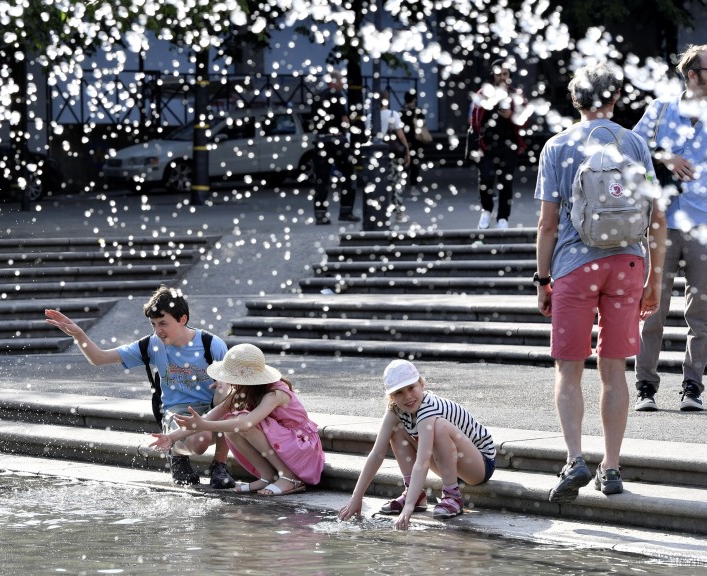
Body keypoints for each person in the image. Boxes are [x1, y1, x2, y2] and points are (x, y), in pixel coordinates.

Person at [534, 63, 667, 502]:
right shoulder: (634, 144)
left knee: (568, 370)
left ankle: (575, 458)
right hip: (627, 265)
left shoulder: (557, 146)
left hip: (575, 267)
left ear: (575, 100)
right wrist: (654, 279)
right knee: (613, 369)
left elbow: (547, 225)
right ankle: (611, 468)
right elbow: (656, 218)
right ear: (614, 98)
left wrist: (543, 279)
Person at [44, 286, 236, 488]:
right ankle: (178, 455)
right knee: (199, 441)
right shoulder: (152, 344)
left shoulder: (212, 344)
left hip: (212, 408)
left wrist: (227, 384)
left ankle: (220, 465)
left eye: (163, 323)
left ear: (183, 319)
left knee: (228, 395)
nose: (158, 330)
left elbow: (237, 391)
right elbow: (99, 358)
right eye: (153, 324)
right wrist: (79, 335)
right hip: (178, 412)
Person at [631, 44, 707, 413]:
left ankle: (693, 385)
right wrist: (664, 156)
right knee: (652, 308)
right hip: (661, 222)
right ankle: (646, 385)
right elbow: (632, 146)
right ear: (693, 75)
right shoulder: (661, 108)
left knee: (702, 311)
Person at [337, 359, 496, 530]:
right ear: (391, 396)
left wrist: (408, 509)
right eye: (399, 392)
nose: (407, 396)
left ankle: (452, 495)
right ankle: (416, 494)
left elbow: (423, 462)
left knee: (439, 426)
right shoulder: (395, 410)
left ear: (422, 384)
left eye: (411, 388)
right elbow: (377, 453)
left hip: (479, 464)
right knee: (396, 428)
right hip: (450, 462)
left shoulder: (428, 408)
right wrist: (357, 497)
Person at [149, 343, 324, 496]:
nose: (230, 383)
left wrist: (205, 425)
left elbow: (246, 423)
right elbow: (210, 416)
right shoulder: (243, 391)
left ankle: (289, 477)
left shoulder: (276, 393)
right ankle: (268, 476)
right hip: (285, 443)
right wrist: (171, 438)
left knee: (242, 420)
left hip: (302, 446)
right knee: (230, 423)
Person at [469, 58, 527, 229]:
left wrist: (512, 115)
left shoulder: (515, 94)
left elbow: (525, 119)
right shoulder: (483, 94)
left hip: (509, 146)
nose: (502, 77)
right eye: (498, 74)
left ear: (509, 75)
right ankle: (486, 210)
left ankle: (503, 218)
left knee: (506, 182)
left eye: (505, 74)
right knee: (485, 178)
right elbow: (474, 120)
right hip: (486, 146)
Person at [311, 70, 360, 225]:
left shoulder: (317, 96)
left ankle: (320, 215)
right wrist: (346, 132)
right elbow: (344, 119)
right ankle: (346, 211)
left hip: (320, 141)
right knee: (349, 173)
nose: (343, 84)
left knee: (321, 178)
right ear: (334, 81)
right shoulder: (337, 95)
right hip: (336, 140)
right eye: (341, 81)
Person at [380, 91, 412, 221]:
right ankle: (398, 212)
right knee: (397, 181)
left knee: (380, 182)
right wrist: (407, 151)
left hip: (377, 154)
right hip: (393, 152)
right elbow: (401, 135)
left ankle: (380, 211)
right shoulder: (393, 114)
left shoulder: (371, 116)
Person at [400, 90, 427, 194]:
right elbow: (423, 123)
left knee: (405, 163)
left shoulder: (401, 112)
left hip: (405, 141)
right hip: (416, 141)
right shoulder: (418, 111)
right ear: (414, 99)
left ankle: (401, 185)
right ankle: (413, 187)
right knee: (415, 164)